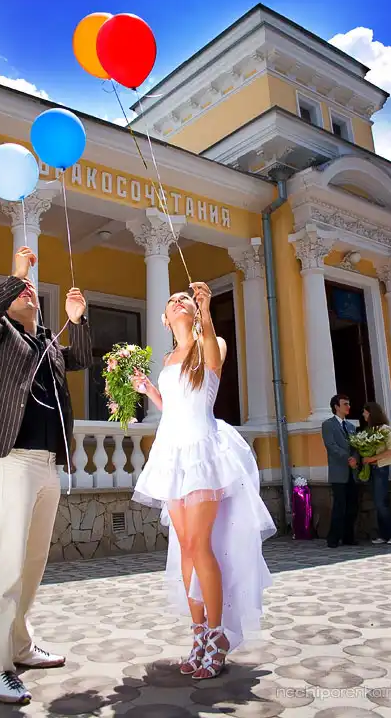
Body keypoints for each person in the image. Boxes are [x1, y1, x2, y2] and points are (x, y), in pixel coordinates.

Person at [0, 246, 92, 704]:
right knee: (7, 560)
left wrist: (78, 319)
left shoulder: (50, 346)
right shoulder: (0, 336)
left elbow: (83, 358)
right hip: (13, 458)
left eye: (32, 291)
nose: (29, 293)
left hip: (48, 463)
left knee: (33, 561)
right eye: (22, 293)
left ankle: (19, 645)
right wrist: (17, 276)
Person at [130, 283, 276, 680]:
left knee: (199, 544)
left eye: (184, 299)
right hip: (172, 452)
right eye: (172, 301)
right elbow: (175, 408)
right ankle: (197, 634)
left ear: (193, 312)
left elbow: (212, 364)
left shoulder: (211, 344)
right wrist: (149, 390)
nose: (178, 301)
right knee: (184, 549)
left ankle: (218, 634)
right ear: (165, 319)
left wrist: (207, 312)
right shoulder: (167, 358)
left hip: (203, 451)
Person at [322, 394, 359, 549]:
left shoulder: (351, 426)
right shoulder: (328, 425)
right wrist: (347, 458)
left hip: (352, 472)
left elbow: (356, 446)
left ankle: (348, 537)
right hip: (338, 472)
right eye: (345, 404)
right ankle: (333, 538)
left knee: (352, 506)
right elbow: (331, 446)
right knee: (340, 506)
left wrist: (355, 458)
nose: (348, 407)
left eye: (348, 404)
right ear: (336, 406)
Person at [362, 402, 391, 545]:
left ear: (371, 413)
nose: (363, 415)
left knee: (381, 503)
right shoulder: (369, 430)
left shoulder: (385, 429)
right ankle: (384, 535)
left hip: (381, 469)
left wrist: (372, 458)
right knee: (378, 503)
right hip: (372, 469)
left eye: (365, 412)